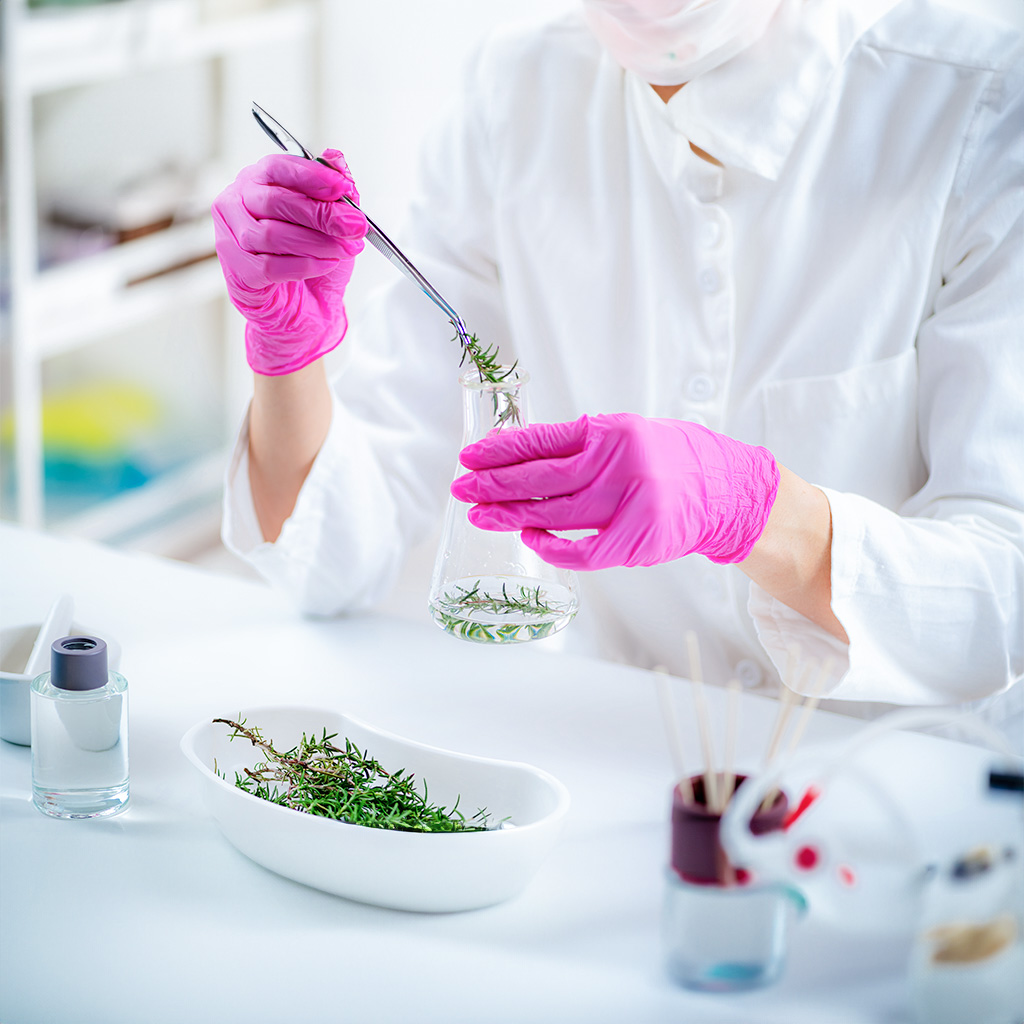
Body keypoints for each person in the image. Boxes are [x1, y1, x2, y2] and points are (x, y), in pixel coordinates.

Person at [211, 0, 1024, 740]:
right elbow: (337, 555)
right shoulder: (517, 90)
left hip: (905, 783)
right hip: (624, 749)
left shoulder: (980, 100)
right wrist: (289, 354)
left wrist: (759, 511)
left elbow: (1004, 590)